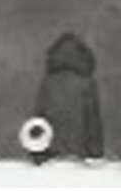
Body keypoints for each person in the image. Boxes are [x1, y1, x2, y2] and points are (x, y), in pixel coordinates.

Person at [32, 33, 104, 161]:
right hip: (79, 155)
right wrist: (96, 153)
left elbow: (39, 119)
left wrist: (37, 153)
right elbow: (93, 123)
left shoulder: (48, 83)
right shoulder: (86, 83)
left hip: (50, 154)